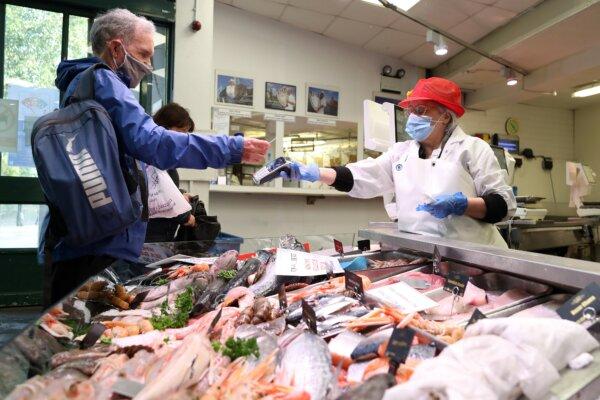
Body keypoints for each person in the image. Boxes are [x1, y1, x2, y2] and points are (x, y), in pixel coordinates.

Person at [41, 8, 269, 306]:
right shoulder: (105, 82)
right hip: (96, 244)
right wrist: (230, 148)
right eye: (144, 54)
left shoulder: (77, 84)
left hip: (73, 234)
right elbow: (152, 141)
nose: (148, 65)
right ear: (116, 48)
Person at [283, 77, 516, 248]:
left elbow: (503, 205)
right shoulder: (401, 152)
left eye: (421, 109)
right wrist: (315, 173)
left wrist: (463, 205)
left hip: (472, 254)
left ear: (445, 116)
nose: (413, 116)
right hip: (421, 253)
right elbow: (365, 176)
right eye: (411, 110)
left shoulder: (473, 149)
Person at [145, 103, 196, 242]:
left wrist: (180, 194)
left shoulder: (162, 155)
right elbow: (155, 195)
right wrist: (185, 216)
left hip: (160, 234)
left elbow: (162, 188)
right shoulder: (153, 156)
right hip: (151, 237)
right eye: (181, 133)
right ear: (164, 128)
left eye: (186, 134)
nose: (184, 139)